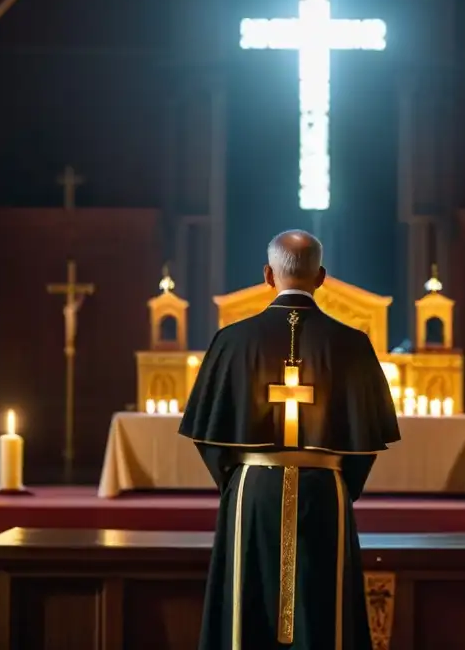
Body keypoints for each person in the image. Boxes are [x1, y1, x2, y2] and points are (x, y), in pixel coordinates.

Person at [179, 230, 400, 650]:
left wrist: (238, 480)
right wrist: (339, 480)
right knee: (324, 607)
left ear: (267, 275)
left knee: (248, 607)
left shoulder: (231, 340)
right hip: (325, 491)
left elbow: (209, 437)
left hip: (252, 491)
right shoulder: (353, 344)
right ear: (321, 276)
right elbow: (366, 442)